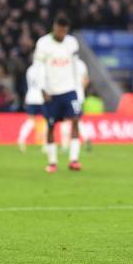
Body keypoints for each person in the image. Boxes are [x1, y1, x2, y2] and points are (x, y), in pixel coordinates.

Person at [34, 13, 83, 173]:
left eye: (64, 31)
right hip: (51, 91)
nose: (61, 33)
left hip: (69, 89)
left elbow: (75, 67)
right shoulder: (43, 44)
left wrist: (79, 90)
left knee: (75, 120)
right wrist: (42, 89)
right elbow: (38, 68)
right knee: (50, 125)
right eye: (59, 30)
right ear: (54, 27)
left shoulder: (72, 43)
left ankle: (74, 160)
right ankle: (52, 162)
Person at [60, 57, 91, 152]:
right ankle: (86, 139)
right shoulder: (81, 63)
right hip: (79, 96)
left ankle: (65, 145)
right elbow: (86, 80)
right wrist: (81, 89)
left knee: (65, 119)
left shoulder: (64, 63)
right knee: (77, 119)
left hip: (67, 95)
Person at [17, 62, 45, 152]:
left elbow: (28, 84)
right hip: (41, 97)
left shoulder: (30, 69)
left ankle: (21, 139)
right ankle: (46, 144)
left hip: (31, 96)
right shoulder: (44, 68)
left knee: (30, 120)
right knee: (47, 120)